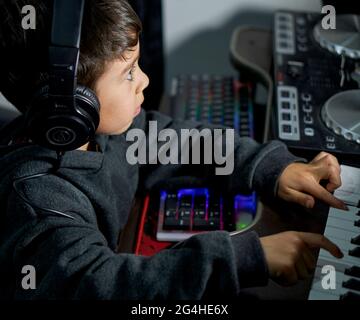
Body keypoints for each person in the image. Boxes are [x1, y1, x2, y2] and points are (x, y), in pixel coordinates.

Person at [0, 0, 346, 300]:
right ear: (73, 104)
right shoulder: (38, 200)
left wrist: (270, 167)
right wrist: (248, 257)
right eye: (128, 73)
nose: (145, 80)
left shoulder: (103, 132)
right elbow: (101, 286)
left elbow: (177, 141)